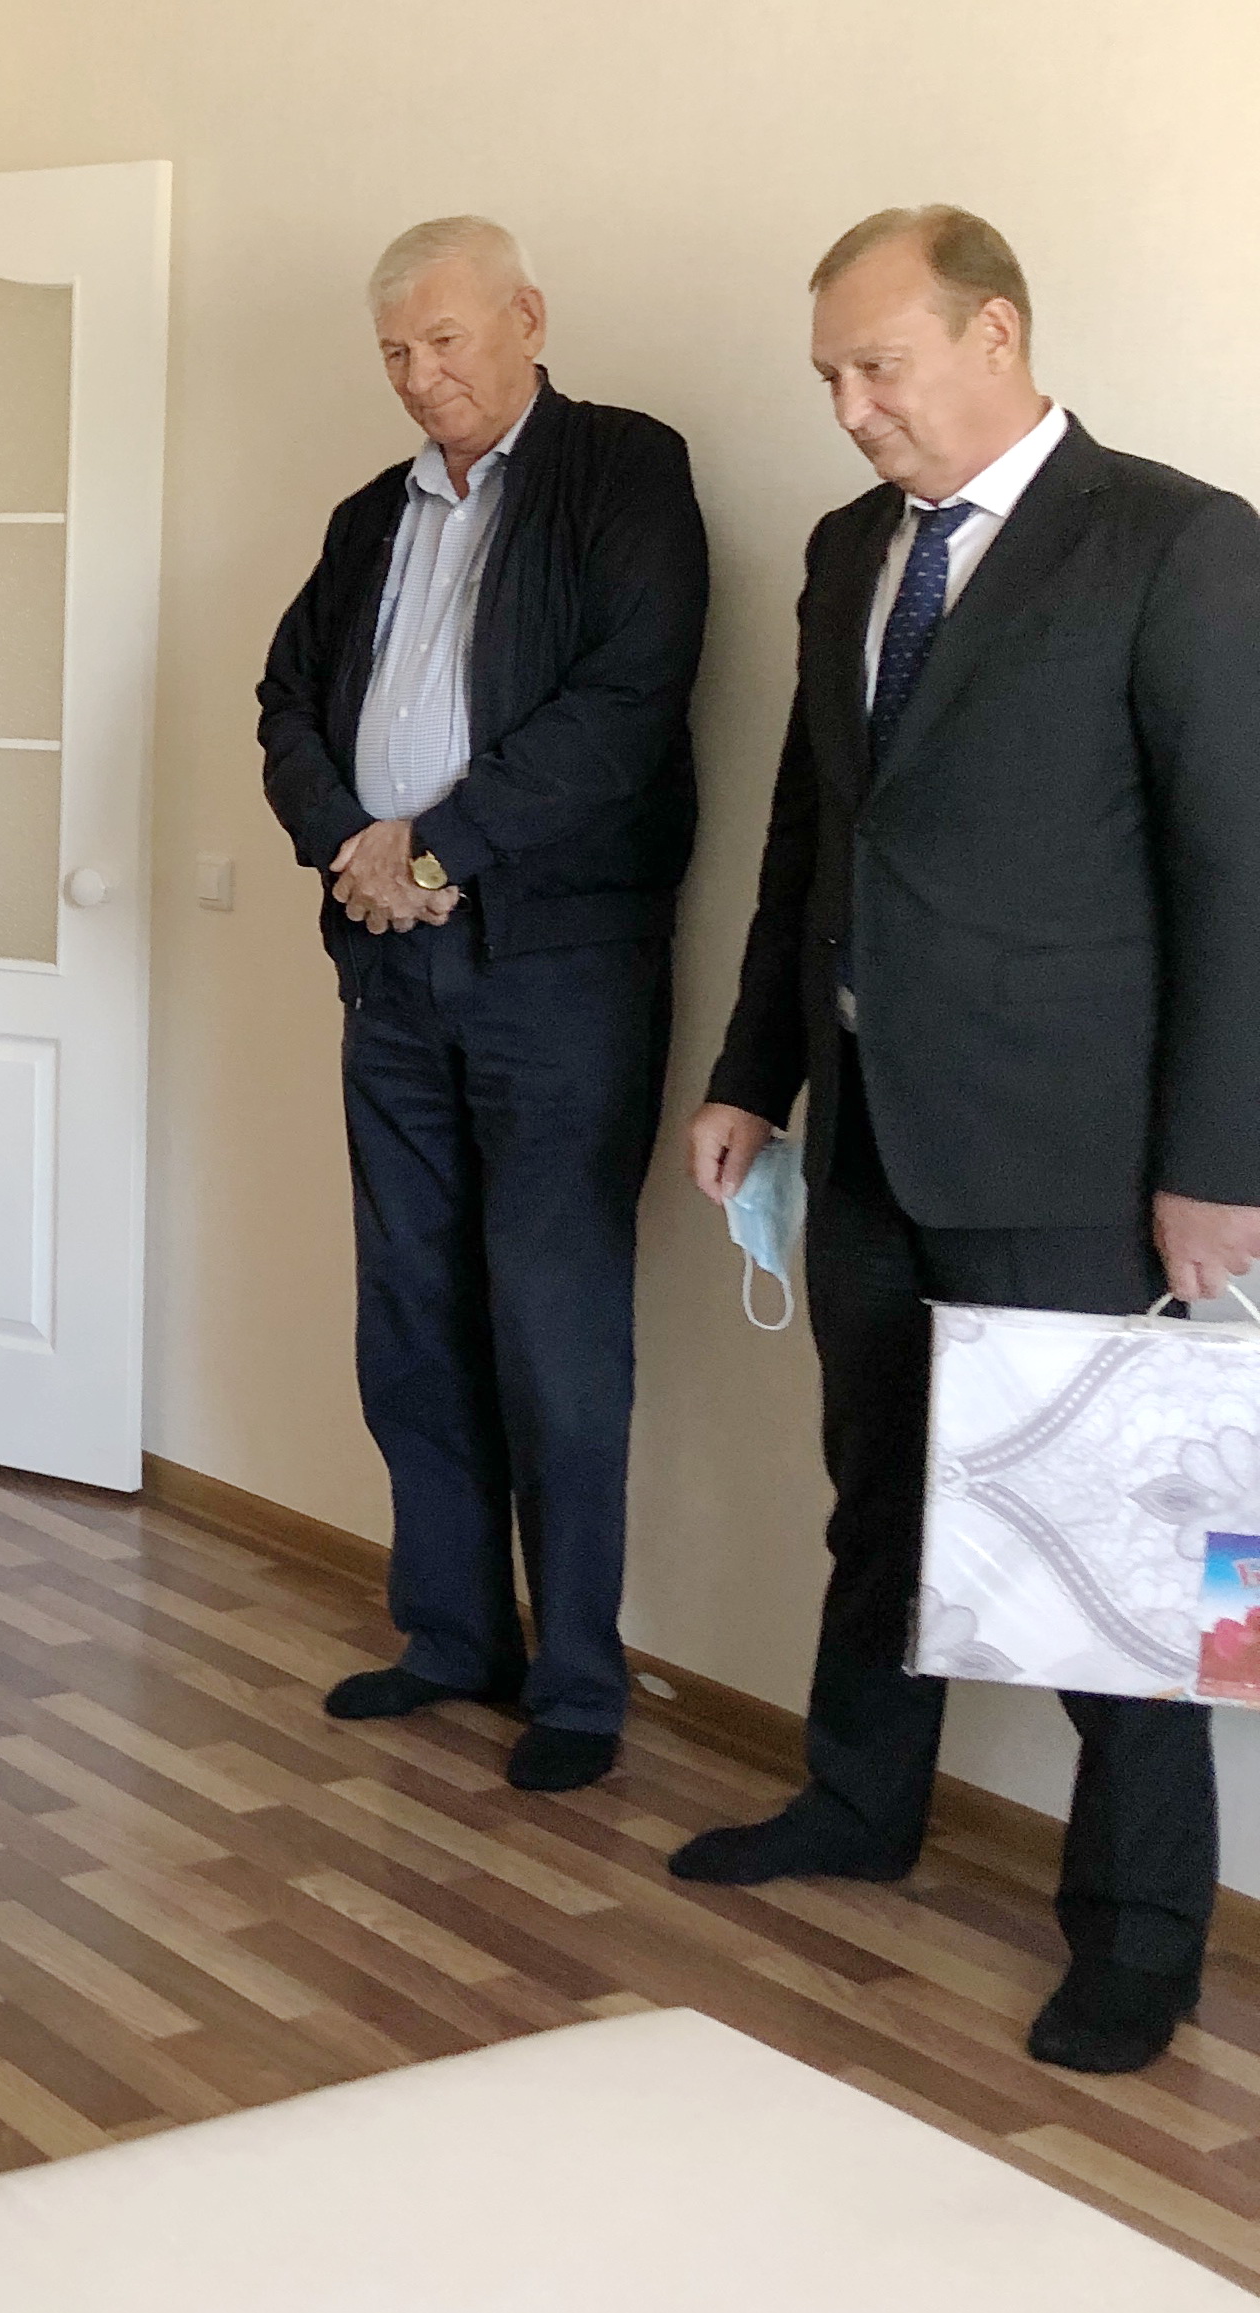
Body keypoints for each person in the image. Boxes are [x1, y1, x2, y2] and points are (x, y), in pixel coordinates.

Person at [673, 208, 1260, 2075]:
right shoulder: (848, 549)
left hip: (1073, 1155)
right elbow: (808, 838)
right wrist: (750, 1072)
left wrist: (1218, 1164)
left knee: (1107, 1549)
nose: (850, 408)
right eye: (829, 377)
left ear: (992, 332)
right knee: (880, 1504)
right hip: (865, 1138)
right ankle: (859, 1803)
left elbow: (1236, 874)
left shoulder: (1176, 540)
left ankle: (1141, 1935)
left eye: (878, 367)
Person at [256, 218, 709, 1791]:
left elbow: (623, 709)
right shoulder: (369, 517)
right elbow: (286, 703)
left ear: (527, 318)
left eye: (444, 340)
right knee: (413, 1313)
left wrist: (436, 847)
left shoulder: (624, 471)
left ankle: (577, 1678)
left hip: (558, 975)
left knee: (552, 1321)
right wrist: (352, 847)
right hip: (388, 965)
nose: (418, 376)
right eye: (394, 351)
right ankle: (452, 1634)